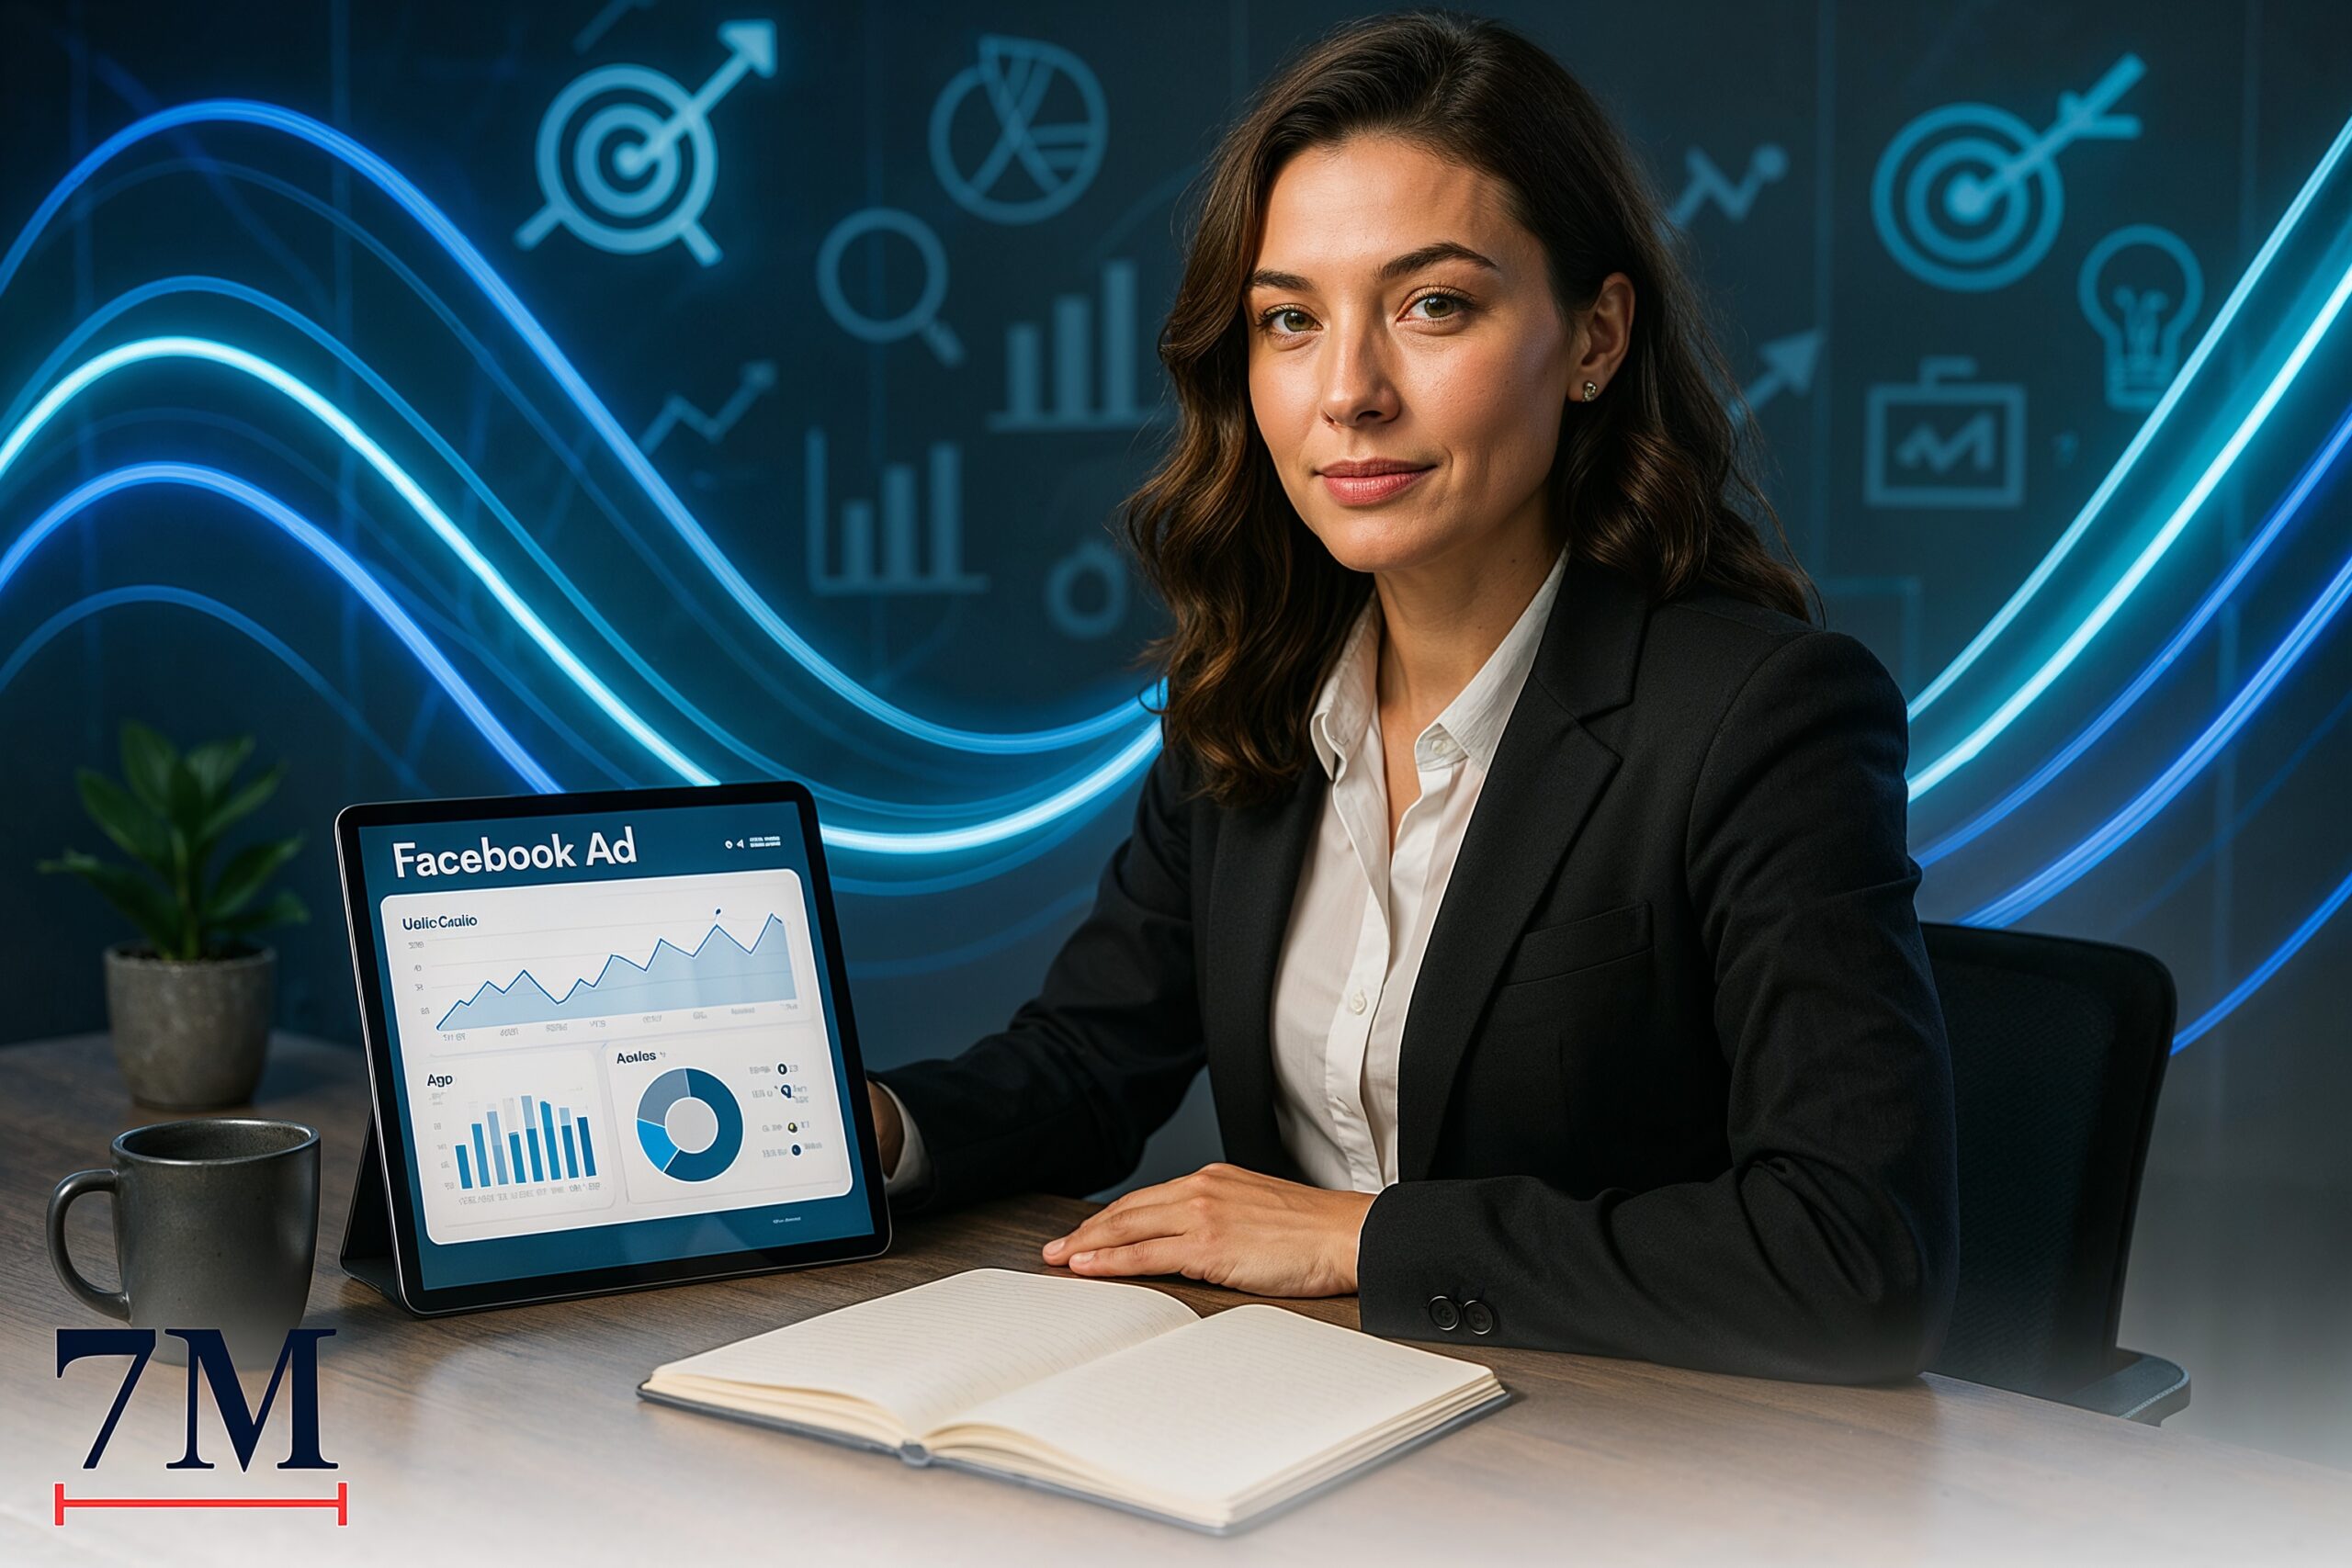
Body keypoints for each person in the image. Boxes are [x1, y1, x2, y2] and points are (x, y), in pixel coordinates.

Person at [865, 9, 1959, 1385]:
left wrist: (1362, 1242)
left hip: (1619, 1468)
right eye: (1289, 320)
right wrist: (870, 1132)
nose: (1349, 393)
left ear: (1596, 338)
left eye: (1433, 305)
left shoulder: (1763, 717)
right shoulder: (1254, 694)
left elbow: (1856, 1253)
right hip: (1279, 1430)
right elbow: (1090, 1062)